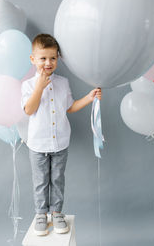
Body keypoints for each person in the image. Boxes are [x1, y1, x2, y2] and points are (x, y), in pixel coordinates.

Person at [21, 34, 102, 236]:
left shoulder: (63, 83)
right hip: (38, 144)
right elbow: (29, 110)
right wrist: (39, 87)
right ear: (33, 59)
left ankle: (56, 212)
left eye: (52, 58)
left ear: (57, 59)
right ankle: (41, 213)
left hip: (60, 142)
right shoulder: (28, 85)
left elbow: (70, 107)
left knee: (57, 179)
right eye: (43, 58)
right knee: (40, 180)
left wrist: (88, 98)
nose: (48, 63)